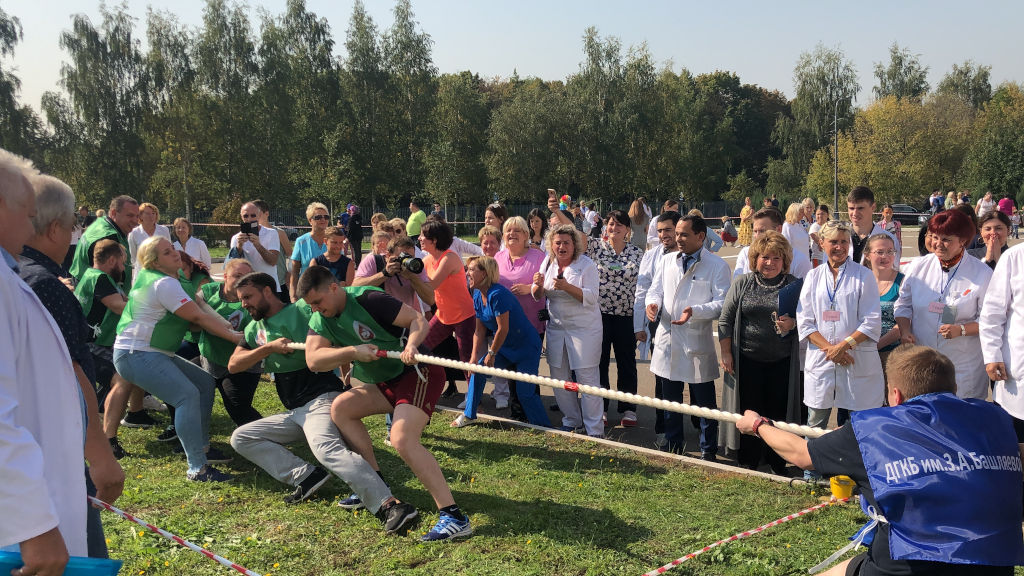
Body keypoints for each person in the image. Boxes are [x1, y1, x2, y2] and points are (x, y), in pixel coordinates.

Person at [740, 345, 1024, 575]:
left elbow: (801, 455)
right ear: (954, 387)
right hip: (993, 564)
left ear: (895, 394)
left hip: (906, 565)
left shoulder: (874, 429)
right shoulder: (995, 420)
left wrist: (757, 425)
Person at [299, 266, 472, 541]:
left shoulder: (369, 299)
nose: (316, 309)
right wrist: (352, 352)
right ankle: (375, 484)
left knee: (402, 439)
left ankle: (454, 516)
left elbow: (419, 320)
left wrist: (412, 345)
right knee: (341, 409)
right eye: (310, 305)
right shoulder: (321, 319)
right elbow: (313, 360)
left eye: (317, 302)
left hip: (417, 373)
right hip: (384, 381)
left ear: (334, 288)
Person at [17, 172, 124, 560]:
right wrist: (100, 454)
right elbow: (72, 371)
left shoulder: (16, 275)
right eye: (75, 227)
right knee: (82, 552)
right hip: (48, 449)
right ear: (57, 227)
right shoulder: (44, 283)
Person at [0, 150, 88, 575]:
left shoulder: (10, 275)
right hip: (21, 519)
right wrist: (35, 524)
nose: (30, 224)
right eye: (25, 212)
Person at [113, 237, 243, 481]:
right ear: (154, 262)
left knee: (204, 383)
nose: (175, 253)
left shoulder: (167, 280)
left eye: (172, 249)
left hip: (148, 351)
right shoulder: (164, 284)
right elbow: (199, 318)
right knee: (186, 395)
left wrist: (229, 331)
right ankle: (197, 468)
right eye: (166, 252)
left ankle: (202, 449)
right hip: (138, 353)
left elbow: (200, 310)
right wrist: (236, 339)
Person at [645, 214, 730, 459]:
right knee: (671, 401)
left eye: (684, 234)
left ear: (701, 236)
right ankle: (674, 445)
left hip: (696, 340)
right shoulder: (667, 260)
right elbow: (655, 289)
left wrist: (695, 311)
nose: (677, 238)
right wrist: (653, 304)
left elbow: (722, 303)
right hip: (668, 338)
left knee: (704, 403)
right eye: (677, 233)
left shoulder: (716, 265)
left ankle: (708, 450)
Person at [718, 231, 801, 473]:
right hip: (747, 359)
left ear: (785, 260)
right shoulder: (743, 283)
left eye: (776, 258)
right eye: (765, 257)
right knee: (750, 412)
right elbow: (725, 320)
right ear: (756, 258)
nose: (770, 263)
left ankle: (777, 461)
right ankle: (749, 460)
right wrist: (726, 353)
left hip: (782, 361)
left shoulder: (794, 285)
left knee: (777, 414)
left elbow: (808, 319)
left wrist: (792, 324)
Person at [895, 209, 991, 400]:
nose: (938, 244)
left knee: (960, 419)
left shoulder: (982, 274)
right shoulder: (918, 267)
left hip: (962, 364)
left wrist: (961, 330)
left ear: (962, 240)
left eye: (946, 239)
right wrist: (905, 330)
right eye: (934, 237)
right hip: (924, 361)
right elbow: (903, 304)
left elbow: (990, 319)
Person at [797, 220, 884, 430]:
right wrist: (832, 350)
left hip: (854, 359)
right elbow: (805, 320)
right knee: (815, 424)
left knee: (856, 426)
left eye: (844, 242)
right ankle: (811, 464)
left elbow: (871, 320)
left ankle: (852, 464)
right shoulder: (813, 276)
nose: (840, 247)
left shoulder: (864, 275)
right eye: (834, 241)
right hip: (822, 360)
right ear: (822, 243)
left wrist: (843, 346)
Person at [452, 256, 550, 427]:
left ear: (485, 273)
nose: (467, 273)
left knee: (525, 393)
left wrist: (491, 353)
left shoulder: (498, 294)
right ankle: (469, 414)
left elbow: (502, 329)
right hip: (505, 347)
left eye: (472, 269)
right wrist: (474, 357)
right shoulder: (476, 294)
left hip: (527, 347)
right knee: (477, 370)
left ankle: (544, 427)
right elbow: (479, 330)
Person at [531, 224, 604, 437]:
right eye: (558, 243)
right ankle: (572, 420)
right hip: (557, 329)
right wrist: (536, 285)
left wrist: (567, 287)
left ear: (574, 245)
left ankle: (595, 430)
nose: (562, 247)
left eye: (566, 243)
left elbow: (591, 297)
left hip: (584, 330)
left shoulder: (587, 265)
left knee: (587, 378)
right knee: (559, 376)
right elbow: (537, 295)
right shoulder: (548, 262)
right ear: (551, 245)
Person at [76, 239, 146, 458]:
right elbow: (118, 306)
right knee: (122, 379)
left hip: (91, 343)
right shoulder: (101, 278)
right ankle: (108, 441)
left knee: (134, 364)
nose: (124, 267)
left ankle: (136, 413)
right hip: (89, 347)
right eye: (123, 261)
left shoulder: (89, 274)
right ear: (113, 260)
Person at [195, 259, 262, 427]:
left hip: (241, 367)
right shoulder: (209, 291)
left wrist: (210, 325)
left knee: (238, 409)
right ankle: (178, 428)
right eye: (237, 276)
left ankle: (265, 436)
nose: (242, 281)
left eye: (247, 277)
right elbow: (192, 317)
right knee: (180, 389)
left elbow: (248, 337)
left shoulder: (254, 301)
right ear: (225, 276)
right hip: (208, 360)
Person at [494, 216, 549, 418]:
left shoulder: (538, 257)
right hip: (505, 324)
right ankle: (517, 411)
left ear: (526, 235)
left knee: (528, 371)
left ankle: (531, 412)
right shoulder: (498, 258)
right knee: (511, 369)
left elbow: (548, 287)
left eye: (517, 230)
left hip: (532, 324)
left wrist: (530, 288)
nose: (512, 234)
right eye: (508, 230)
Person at [634, 211, 680, 446]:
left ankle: (693, 422)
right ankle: (663, 427)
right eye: (660, 230)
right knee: (662, 379)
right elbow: (642, 289)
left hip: (686, 325)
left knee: (691, 378)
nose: (663, 235)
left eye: (668, 230)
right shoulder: (652, 256)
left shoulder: (689, 255)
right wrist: (639, 325)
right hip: (658, 323)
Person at [419, 219, 477, 371]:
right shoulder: (427, 260)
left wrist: (412, 275)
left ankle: (472, 395)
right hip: (443, 315)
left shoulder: (449, 258)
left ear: (434, 240)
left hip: (464, 316)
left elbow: (431, 285)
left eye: (422, 235)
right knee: (420, 347)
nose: (419, 238)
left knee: (467, 361)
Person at [70, 195, 139, 292]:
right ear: (114, 213)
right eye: (130, 215)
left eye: (137, 216)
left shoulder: (100, 223)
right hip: (99, 300)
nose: (136, 221)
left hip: (83, 287)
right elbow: (109, 282)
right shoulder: (109, 237)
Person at [353, 235, 434, 311]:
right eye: (403, 257)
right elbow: (355, 286)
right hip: (376, 318)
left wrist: (413, 277)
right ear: (388, 255)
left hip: (404, 319)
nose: (407, 261)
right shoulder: (373, 261)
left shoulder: (415, 265)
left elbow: (430, 300)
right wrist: (384, 274)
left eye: (411, 257)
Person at [863, 234, 904, 381]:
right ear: (867, 255)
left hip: (892, 355)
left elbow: (904, 324)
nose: (885, 256)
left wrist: (877, 346)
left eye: (890, 251)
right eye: (880, 252)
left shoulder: (903, 283)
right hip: (862, 353)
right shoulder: (859, 281)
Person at [733, 207, 812, 279]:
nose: (757, 236)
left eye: (762, 231)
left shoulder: (799, 260)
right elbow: (736, 285)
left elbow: (805, 293)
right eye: (755, 231)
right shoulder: (745, 253)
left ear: (779, 229)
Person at [228, 202, 281, 293]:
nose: (249, 219)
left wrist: (258, 245)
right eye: (246, 216)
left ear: (259, 216)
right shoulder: (236, 238)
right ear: (241, 217)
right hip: (246, 289)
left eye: (253, 215)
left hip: (268, 286)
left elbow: (273, 261)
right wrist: (239, 247)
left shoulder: (271, 233)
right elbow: (233, 266)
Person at [252, 199, 293, 303]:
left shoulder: (279, 232)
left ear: (266, 214)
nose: (255, 217)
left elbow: (291, 254)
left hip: (279, 281)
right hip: (257, 282)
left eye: (258, 213)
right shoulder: (249, 234)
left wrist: (290, 272)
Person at [846, 186, 898, 267]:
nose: (855, 213)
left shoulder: (889, 241)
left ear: (873, 207)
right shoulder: (838, 239)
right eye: (851, 208)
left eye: (860, 208)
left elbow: (893, 274)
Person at [289, 202, 331, 300]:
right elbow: (294, 272)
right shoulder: (301, 241)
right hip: (307, 293)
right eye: (318, 217)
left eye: (326, 217)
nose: (323, 219)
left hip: (329, 293)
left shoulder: (334, 240)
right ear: (310, 220)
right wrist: (293, 296)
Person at [127, 202, 172, 283]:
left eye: (153, 213)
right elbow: (133, 257)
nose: (151, 216)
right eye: (147, 213)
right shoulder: (134, 233)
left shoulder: (164, 230)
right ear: (140, 216)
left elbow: (169, 250)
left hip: (162, 274)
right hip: (142, 275)